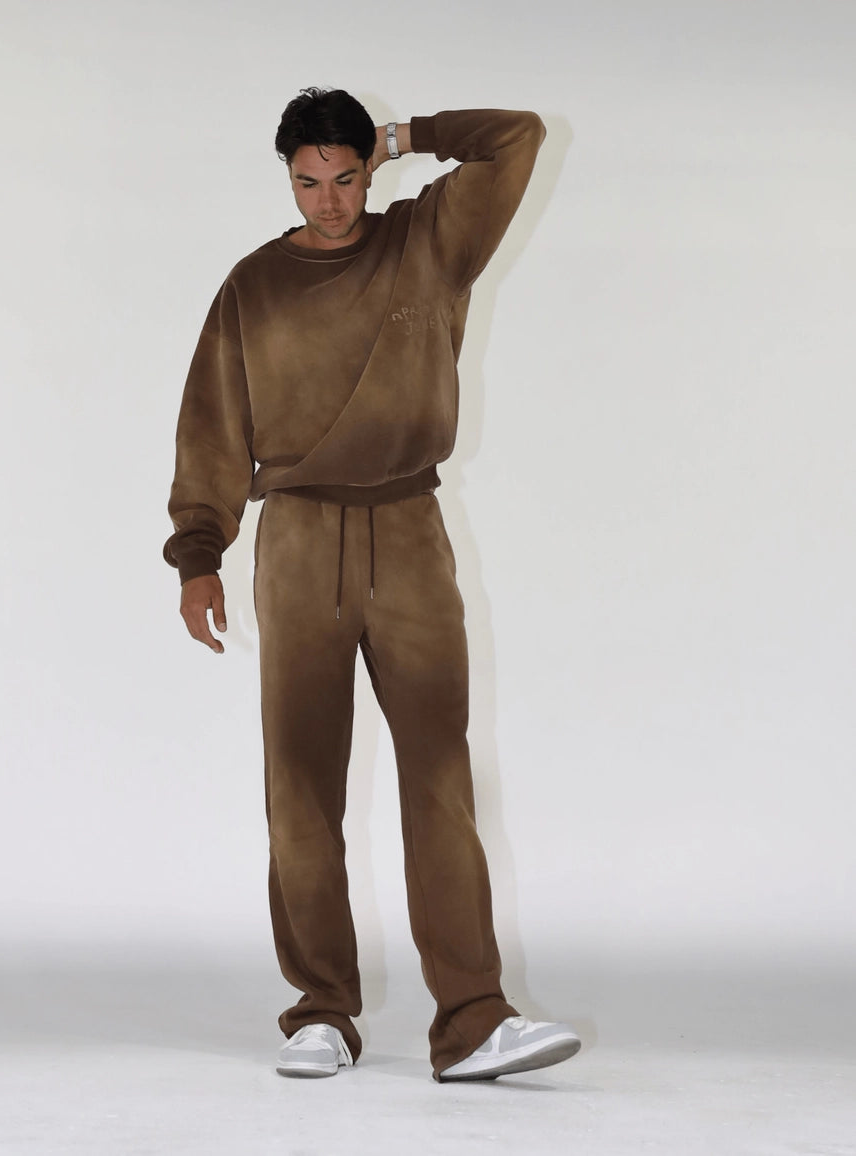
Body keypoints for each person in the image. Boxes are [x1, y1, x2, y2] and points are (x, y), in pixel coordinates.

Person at [164, 87, 580, 1082]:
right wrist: (198, 554)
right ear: (287, 179)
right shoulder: (253, 286)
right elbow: (212, 424)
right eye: (308, 182)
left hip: (409, 528)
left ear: (368, 169)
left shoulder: (429, 242)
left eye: (346, 177)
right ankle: (319, 1012)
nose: (329, 201)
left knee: (440, 776)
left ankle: (473, 1021)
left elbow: (515, 139)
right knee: (300, 784)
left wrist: (408, 137)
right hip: (298, 541)